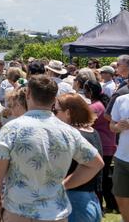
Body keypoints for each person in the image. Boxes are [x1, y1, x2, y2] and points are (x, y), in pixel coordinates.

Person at [0, 75, 104, 222]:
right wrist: (65, 185)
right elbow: (96, 164)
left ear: (28, 93)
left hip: (18, 212)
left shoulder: (11, 129)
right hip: (56, 214)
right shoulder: (68, 131)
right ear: (54, 99)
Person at [53, 94, 103, 222]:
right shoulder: (92, 132)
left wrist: (62, 186)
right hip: (91, 199)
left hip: (75, 200)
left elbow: (94, 164)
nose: (53, 115)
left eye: (56, 110)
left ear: (68, 113)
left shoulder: (74, 136)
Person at [84, 79, 118, 212]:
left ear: (90, 91)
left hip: (102, 146)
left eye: (85, 90)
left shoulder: (94, 107)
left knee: (99, 180)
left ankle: (101, 205)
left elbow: (85, 124)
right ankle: (111, 205)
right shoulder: (102, 104)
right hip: (109, 145)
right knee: (105, 179)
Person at [110, 91, 129, 221]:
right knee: (120, 195)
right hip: (122, 157)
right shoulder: (121, 100)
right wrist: (117, 126)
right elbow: (112, 125)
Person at [105, 54, 129, 119]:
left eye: (118, 64)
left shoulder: (124, 85)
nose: (116, 66)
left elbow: (108, 115)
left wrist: (116, 126)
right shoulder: (124, 82)